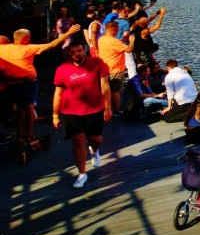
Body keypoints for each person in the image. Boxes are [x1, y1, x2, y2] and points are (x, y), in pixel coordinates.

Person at [0, 24, 82, 140]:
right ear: (25, 39)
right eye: (29, 38)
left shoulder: (3, 48)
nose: (30, 39)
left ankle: (20, 135)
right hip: (28, 82)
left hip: (12, 83)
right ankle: (29, 135)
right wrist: (68, 32)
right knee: (28, 107)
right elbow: (52, 45)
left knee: (19, 109)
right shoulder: (28, 48)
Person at [52, 40, 111, 189]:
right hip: (70, 112)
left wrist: (108, 107)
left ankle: (94, 150)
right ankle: (82, 174)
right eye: (73, 52)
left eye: (79, 51)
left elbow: (105, 86)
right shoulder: (62, 69)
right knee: (77, 142)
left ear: (84, 50)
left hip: (94, 109)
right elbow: (58, 93)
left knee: (95, 139)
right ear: (69, 53)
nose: (76, 54)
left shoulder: (97, 63)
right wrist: (55, 115)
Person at [97, 21, 135, 115]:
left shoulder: (101, 39)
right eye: (117, 29)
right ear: (114, 28)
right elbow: (129, 50)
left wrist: (123, 39)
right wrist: (132, 40)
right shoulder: (115, 41)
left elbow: (115, 46)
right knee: (116, 91)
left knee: (107, 90)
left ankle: (108, 108)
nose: (118, 31)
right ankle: (117, 110)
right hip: (115, 70)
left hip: (105, 69)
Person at [161, 58, 197, 123]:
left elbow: (170, 93)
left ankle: (192, 114)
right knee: (174, 108)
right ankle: (193, 111)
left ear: (168, 67)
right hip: (195, 100)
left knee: (167, 118)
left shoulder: (169, 76)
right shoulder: (185, 72)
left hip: (185, 103)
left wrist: (169, 107)